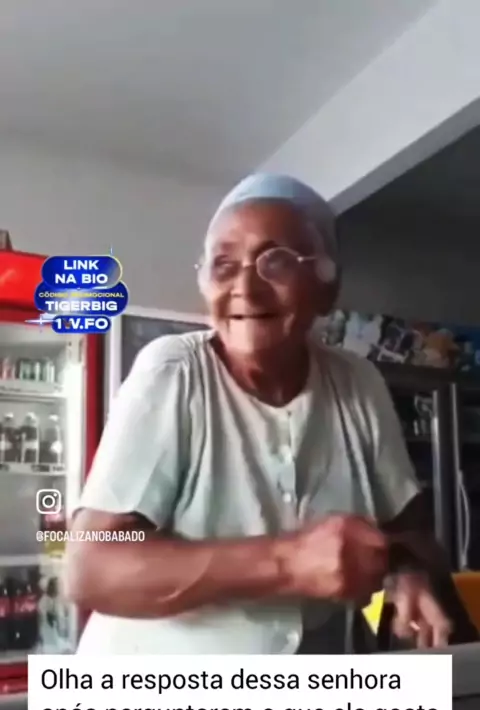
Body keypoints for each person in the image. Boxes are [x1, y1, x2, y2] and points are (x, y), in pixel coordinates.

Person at [67, 173, 477, 656]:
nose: (244, 287)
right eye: (223, 265)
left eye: (276, 261)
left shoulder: (356, 382)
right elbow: (91, 566)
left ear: (327, 286)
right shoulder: (176, 371)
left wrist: (405, 568)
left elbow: (409, 532)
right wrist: (288, 561)